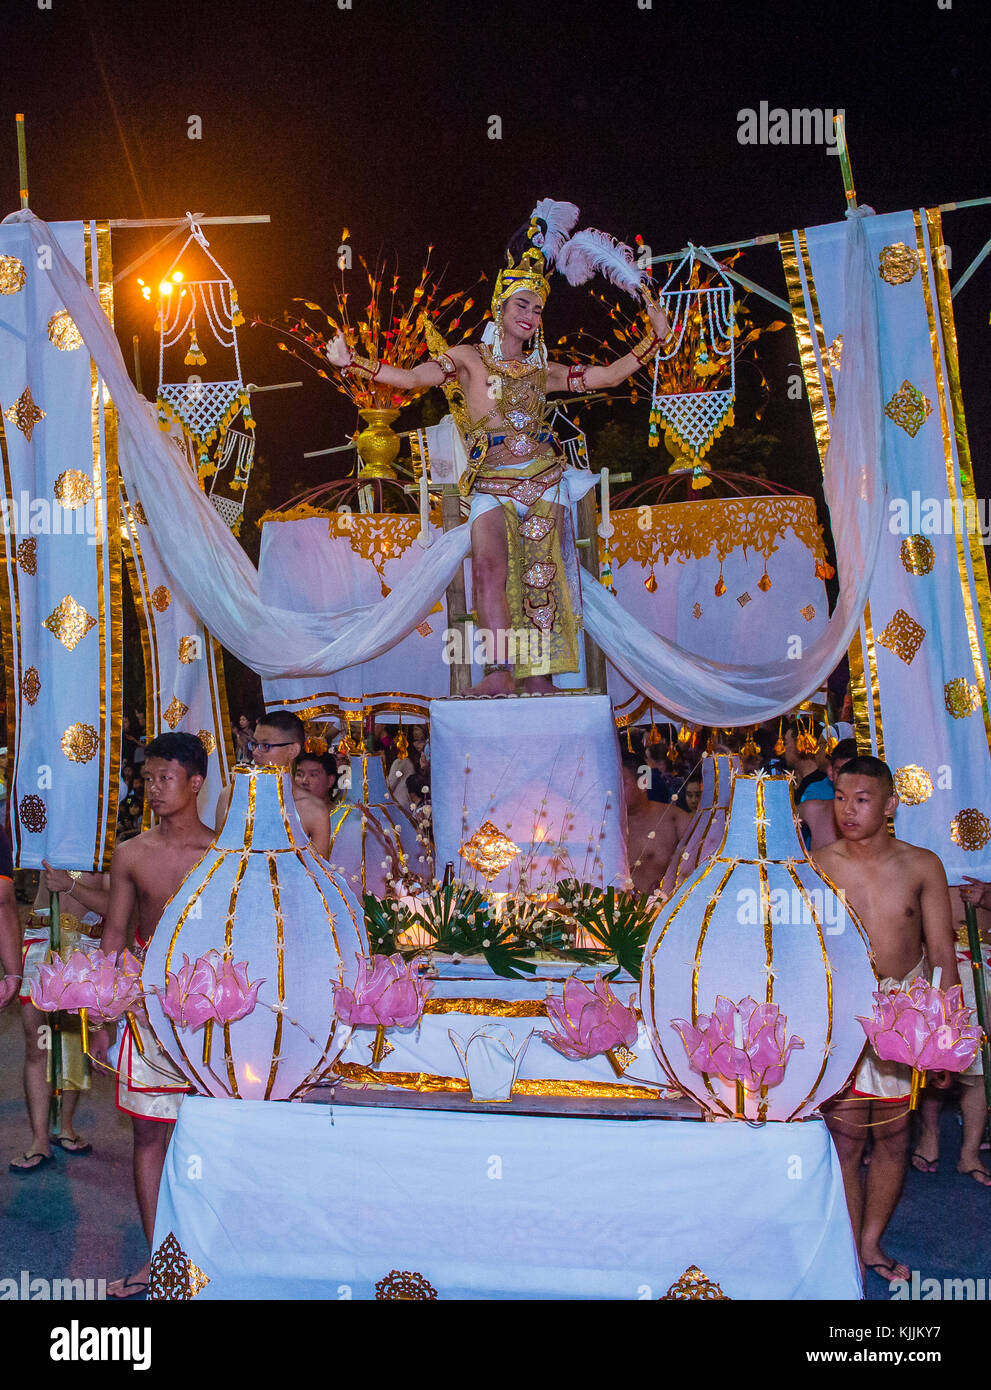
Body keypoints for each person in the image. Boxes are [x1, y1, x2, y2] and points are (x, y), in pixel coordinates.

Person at [326, 201, 669, 696]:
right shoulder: (468, 359)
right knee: (487, 568)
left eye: (536, 308)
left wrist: (651, 342)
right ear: (500, 307)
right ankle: (499, 673)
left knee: (540, 576)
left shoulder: (543, 370)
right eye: (520, 305)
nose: (529, 315)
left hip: (544, 482)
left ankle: (539, 677)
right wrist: (353, 363)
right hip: (491, 482)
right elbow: (412, 378)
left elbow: (606, 375)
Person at [812, 756, 958, 1285]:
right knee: (846, 1138)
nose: (848, 810)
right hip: (844, 1011)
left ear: (891, 804)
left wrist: (946, 1039)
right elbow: (799, 950)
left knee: (895, 1136)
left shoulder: (923, 865)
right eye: (841, 798)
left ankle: (871, 1242)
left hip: (907, 1015)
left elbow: (942, 953)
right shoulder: (815, 864)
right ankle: (847, 1245)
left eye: (862, 799)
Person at [96, 731, 217, 1300]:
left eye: (164, 778)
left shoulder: (223, 856)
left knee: (211, 1136)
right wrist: (101, 1018)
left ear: (196, 783)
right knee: (149, 1134)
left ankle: (213, 1251)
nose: (153, 789)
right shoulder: (132, 853)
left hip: (216, 1018)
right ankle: (158, 1261)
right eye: (147, 779)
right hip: (146, 1016)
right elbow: (115, 939)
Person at [9, 864, 110, 1172]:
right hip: (41, 941)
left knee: (75, 1042)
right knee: (36, 1045)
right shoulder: (48, 840)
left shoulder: (105, 846)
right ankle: (39, 1139)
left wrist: (70, 886)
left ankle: (63, 1127)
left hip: (85, 947)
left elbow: (115, 905)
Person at [910, 874, 991, 1185]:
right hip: (929, 949)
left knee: (980, 1054)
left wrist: (986, 897)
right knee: (933, 1049)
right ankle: (929, 1134)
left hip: (982, 953)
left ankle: (969, 1152)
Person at [215, 711, 330, 858]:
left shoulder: (313, 810)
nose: (256, 752)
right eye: (255, 744)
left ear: (292, 750)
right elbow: (218, 861)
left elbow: (319, 875)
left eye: (265, 746)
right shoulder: (230, 797)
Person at [620, 755, 691, 894]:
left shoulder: (675, 819)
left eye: (622, 783)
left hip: (670, 909)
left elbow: (699, 865)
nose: (615, 790)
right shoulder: (607, 827)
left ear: (643, 783)